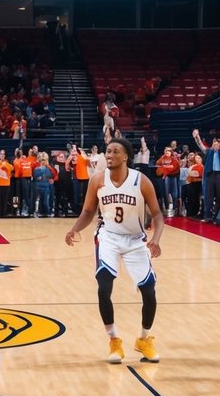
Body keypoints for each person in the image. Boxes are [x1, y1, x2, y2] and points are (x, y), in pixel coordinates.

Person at [64, 138, 164, 364]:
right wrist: (74, 229)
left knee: (149, 291)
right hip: (108, 237)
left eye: (115, 152)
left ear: (126, 156)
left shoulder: (142, 181)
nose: (109, 155)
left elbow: (157, 214)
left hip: (136, 240)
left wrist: (156, 239)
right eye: (107, 151)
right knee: (104, 286)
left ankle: (144, 339)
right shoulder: (98, 180)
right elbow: (89, 211)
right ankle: (114, 340)